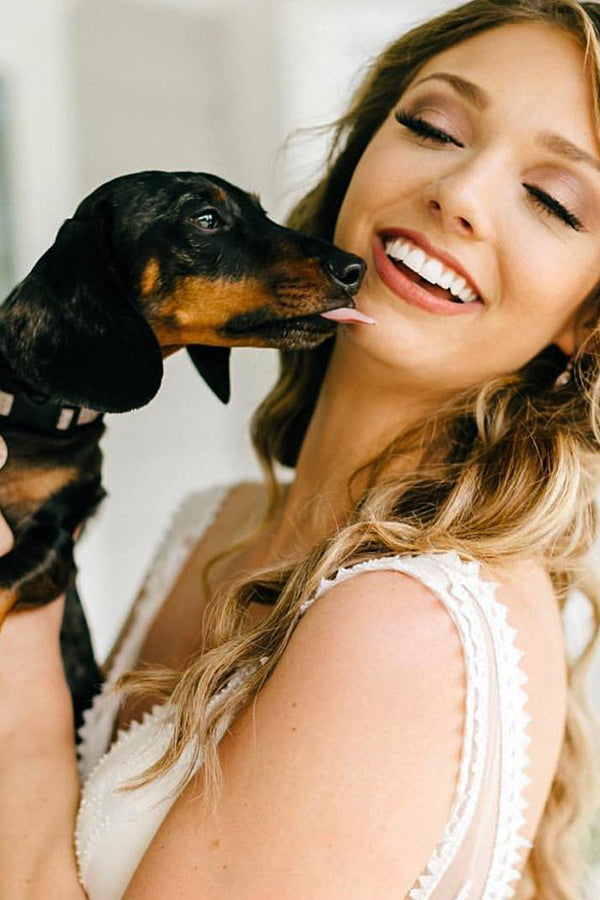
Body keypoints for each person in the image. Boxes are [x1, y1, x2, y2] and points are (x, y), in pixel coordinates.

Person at [2, 0, 600, 896]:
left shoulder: (404, 626)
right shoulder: (224, 524)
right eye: (433, 127)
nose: (460, 193)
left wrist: (21, 585)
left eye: (553, 199)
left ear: (588, 323)